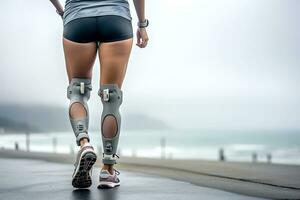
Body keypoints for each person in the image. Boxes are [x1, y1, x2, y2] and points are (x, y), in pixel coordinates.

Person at [49, 0, 149, 189]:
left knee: (77, 91)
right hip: (116, 18)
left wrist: (61, 11)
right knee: (110, 98)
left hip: (77, 19)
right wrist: (142, 24)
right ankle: (108, 170)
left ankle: (84, 144)